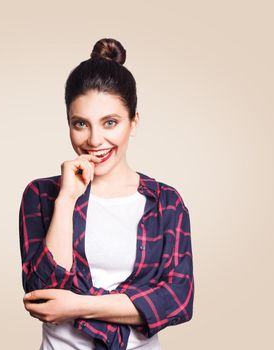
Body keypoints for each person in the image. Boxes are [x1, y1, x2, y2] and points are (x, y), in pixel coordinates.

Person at [19, 38, 194, 350]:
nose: (94, 139)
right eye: (81, 124)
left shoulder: (165, 203)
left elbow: (178, 300)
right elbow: (43, 294)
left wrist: (77, 306)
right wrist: (67, 199)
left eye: (110, 122)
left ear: (133, 123)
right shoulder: (42, 194)